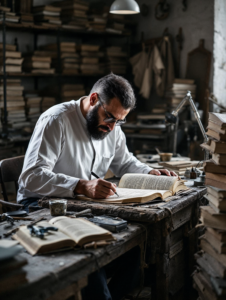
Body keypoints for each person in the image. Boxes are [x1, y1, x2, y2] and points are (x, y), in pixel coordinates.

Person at [17, 73, 177, 300]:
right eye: (110, 117)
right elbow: (31, 177)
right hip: (40, 204)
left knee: (136, 252)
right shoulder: (56, 120)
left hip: (82, 205)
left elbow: (125, 163)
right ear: (93, 99)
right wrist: (80, 186)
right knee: (93, 258)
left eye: (120, 121)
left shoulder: (112, 126)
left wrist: (150, 172)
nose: (113, 127)